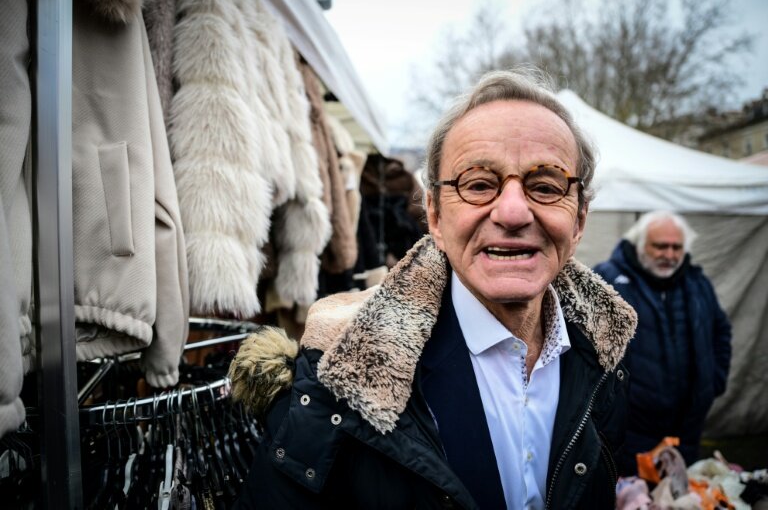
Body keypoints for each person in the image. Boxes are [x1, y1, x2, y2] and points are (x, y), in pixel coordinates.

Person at [230, 68, 637, 509]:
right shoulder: (337, 374)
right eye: (479, 184)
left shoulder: (602, 354)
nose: (515, 212)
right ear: (436, 215)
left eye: (545, 186)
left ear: (578, 219)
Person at [593, 211, 732, 475]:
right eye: (660, 246)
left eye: (676, 247)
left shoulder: (696, 282)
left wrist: (713, 382)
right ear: (638, 244)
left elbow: (720, 331)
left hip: (687, 430)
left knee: (682, 497)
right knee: (636, 498)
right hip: (629, 431)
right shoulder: (607, 280)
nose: (669, 255)